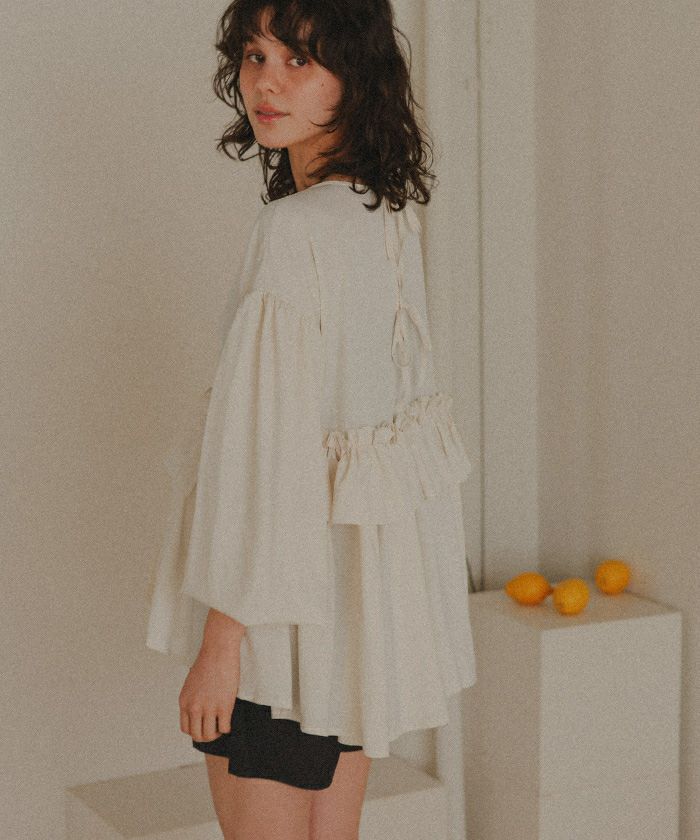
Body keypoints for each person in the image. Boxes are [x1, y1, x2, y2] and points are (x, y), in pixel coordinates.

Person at [145, 1, 478, 838]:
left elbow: (269, 456)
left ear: (355, 76)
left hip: (279, 643)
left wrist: (222, 643)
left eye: (299, 60)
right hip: (347, 640)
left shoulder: (293, 230)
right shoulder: (385, 214)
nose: (267, 82)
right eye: (255, 56)